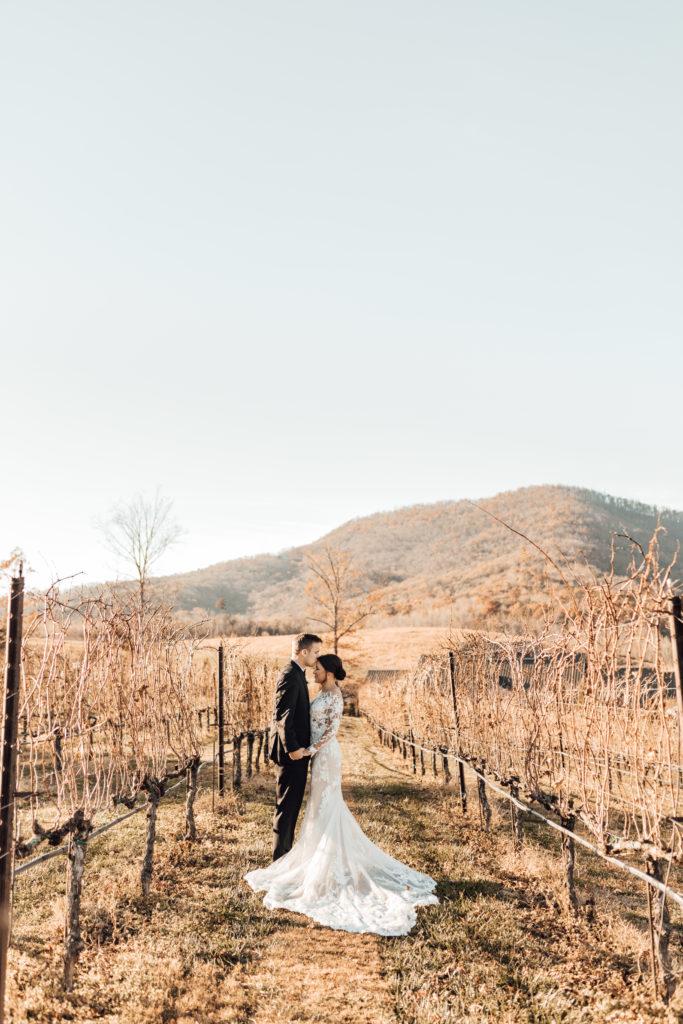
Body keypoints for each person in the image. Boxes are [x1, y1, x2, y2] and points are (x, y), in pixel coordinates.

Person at [244, 652, 439, 936]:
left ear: (330, 673)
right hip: (318, 757)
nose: (315, 671)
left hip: (326, 756)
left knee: (328, 805)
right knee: (320, 807)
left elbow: (331, 730)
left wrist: (310, 750)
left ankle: (329, 865)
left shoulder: (335, 696)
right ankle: (319, 857)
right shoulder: (321, 691)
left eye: (319, 668)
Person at [268, 632, 322, 860]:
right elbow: (283, 716)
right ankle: (279, 860)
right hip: (292, 754)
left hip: (296, 752)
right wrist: (292, 749)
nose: (318, 657)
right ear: (304, 652)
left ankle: (284, 856)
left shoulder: (298, 674)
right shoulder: (290, 675)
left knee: (291, 807)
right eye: (316, 652)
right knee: (287, 808)